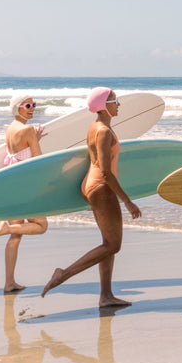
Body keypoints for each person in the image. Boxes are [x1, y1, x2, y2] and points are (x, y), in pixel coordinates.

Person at [41, 87, 140, 307]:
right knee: (113, 245)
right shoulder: (104, 131)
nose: (118, 104)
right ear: (105, 105)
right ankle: (63, 275)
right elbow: (105, 172)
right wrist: (127, 200)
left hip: (91, 185)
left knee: (108, 244)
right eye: (115, 101)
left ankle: (106, 296)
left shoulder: (95, 127)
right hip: (102, 188)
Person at [0, 93, 49, 293]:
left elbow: (18, 152)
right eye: (27, 105)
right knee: (41, 226)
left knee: (16, 236)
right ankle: (6, 229)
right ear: (17, 108)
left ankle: (9, 283)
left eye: (34, 105)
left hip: (11, 183)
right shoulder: (28, 129)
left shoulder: (10, 129)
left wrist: (32, 140)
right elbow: (37, 160)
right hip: (25, 186)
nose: (32, 108)